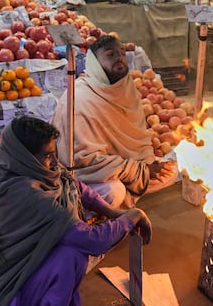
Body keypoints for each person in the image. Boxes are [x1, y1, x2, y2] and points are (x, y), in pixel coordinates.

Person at [0, 116, 153, 306]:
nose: (54, 160)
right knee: (70, 256)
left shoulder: (12, 165)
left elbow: (71, 183)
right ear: (25, 157)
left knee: (66, 248)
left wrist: (110, 211)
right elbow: (93, 240)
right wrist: (131, 217)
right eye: (47, 156)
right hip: (0, 289)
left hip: (16, 265)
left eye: (53, 152)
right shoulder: (25, 193)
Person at [52, 35, 177, 208]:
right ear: (95, 63)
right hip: (86, 177)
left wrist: (146, 166)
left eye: (122, 53)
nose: (119, 58)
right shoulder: (79, 99)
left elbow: (139, 140)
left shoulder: (127, 89)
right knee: (113, 191)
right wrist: (139, 171)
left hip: (122, 168)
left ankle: (122, 196)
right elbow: (83, 162)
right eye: (110, 55)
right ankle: (91, 213)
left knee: (170, 172)